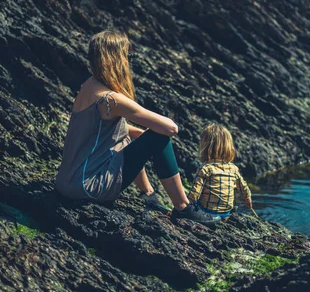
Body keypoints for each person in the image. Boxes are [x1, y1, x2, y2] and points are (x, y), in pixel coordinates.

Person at [55, 30, 217, 226]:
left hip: (67, 182)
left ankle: (147, 193)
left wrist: (142, 136)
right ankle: (183, 207)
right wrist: (150, 134)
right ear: (116, 58)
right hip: (89, 187)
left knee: (140, 137)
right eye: (127, 55)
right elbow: (171, 128)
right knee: (160, 137)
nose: (128, 61)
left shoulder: (89, 86)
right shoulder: (111, 100)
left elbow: (105, 130)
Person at [187, 124, 252, 219]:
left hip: (207, 211)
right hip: (226, 212)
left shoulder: (205, 168)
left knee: (195, 202)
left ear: (205, 147)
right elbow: (243, 187)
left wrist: (185, 206)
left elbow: (194, 193)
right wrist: (247, 198)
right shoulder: (233, 168)